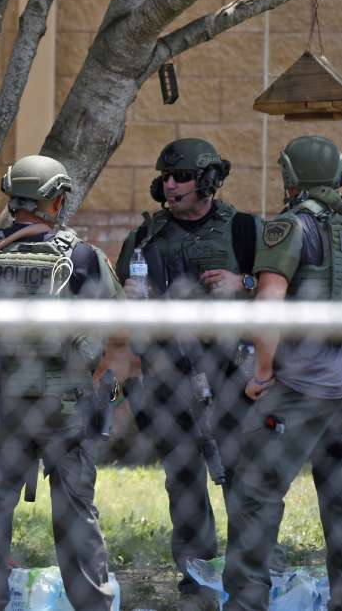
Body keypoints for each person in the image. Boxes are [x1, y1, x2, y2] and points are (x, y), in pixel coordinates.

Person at [222, 136, 342, 611]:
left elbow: (268, 303)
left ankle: (246, 601)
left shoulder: (291, 227)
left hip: (301, 387)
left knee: (255, 489)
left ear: (289, 177)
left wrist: (262, 372)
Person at [0, 155, 121, 611]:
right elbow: (118, 331)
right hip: (64, 404)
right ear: (58, 199)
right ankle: (92, 604)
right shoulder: (82, 258)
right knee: (75, 512)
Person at [114, 139, 261, 610]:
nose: (170, 185)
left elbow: (285, 289)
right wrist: (130, 296)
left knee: (244, 474)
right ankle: (197, 579)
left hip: (232, 373)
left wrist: (246, 284)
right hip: (167, 375)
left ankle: (250, 576)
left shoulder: (244, 231)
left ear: (209, 181)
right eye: (166, 177)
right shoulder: (145, 237)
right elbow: (121, 307)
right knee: (183, 477)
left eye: (181, 177)